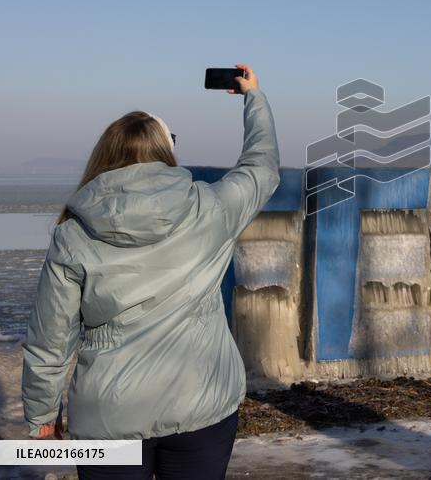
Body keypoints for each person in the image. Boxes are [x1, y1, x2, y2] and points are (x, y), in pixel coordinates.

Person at [21, 64, 280, 480]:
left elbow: (50, 341)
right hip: (202, 404)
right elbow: (261, 170)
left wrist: (42, 418)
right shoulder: (209, 207)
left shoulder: (73, 232)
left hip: (109, 417)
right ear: (166, 152)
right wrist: (254, 99)